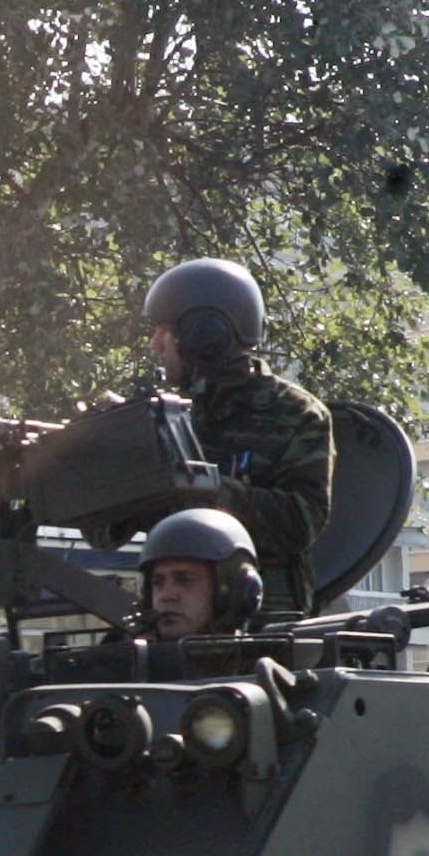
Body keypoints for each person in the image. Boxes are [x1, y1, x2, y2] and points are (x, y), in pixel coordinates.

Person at [143, 258, 333, 621]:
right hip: (171, 620)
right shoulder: (164, 416)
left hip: (262, 621)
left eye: (163, 331)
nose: (155, 345)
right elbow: (105, 534)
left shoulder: (293, 413)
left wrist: (205, 490)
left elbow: (302, 521)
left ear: (203, 334)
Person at [135, 508, 266, 642]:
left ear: (235, 591)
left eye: (185, 580)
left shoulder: (262, 661)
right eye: (157, 582)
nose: (166, 596)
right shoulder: (130, 659)